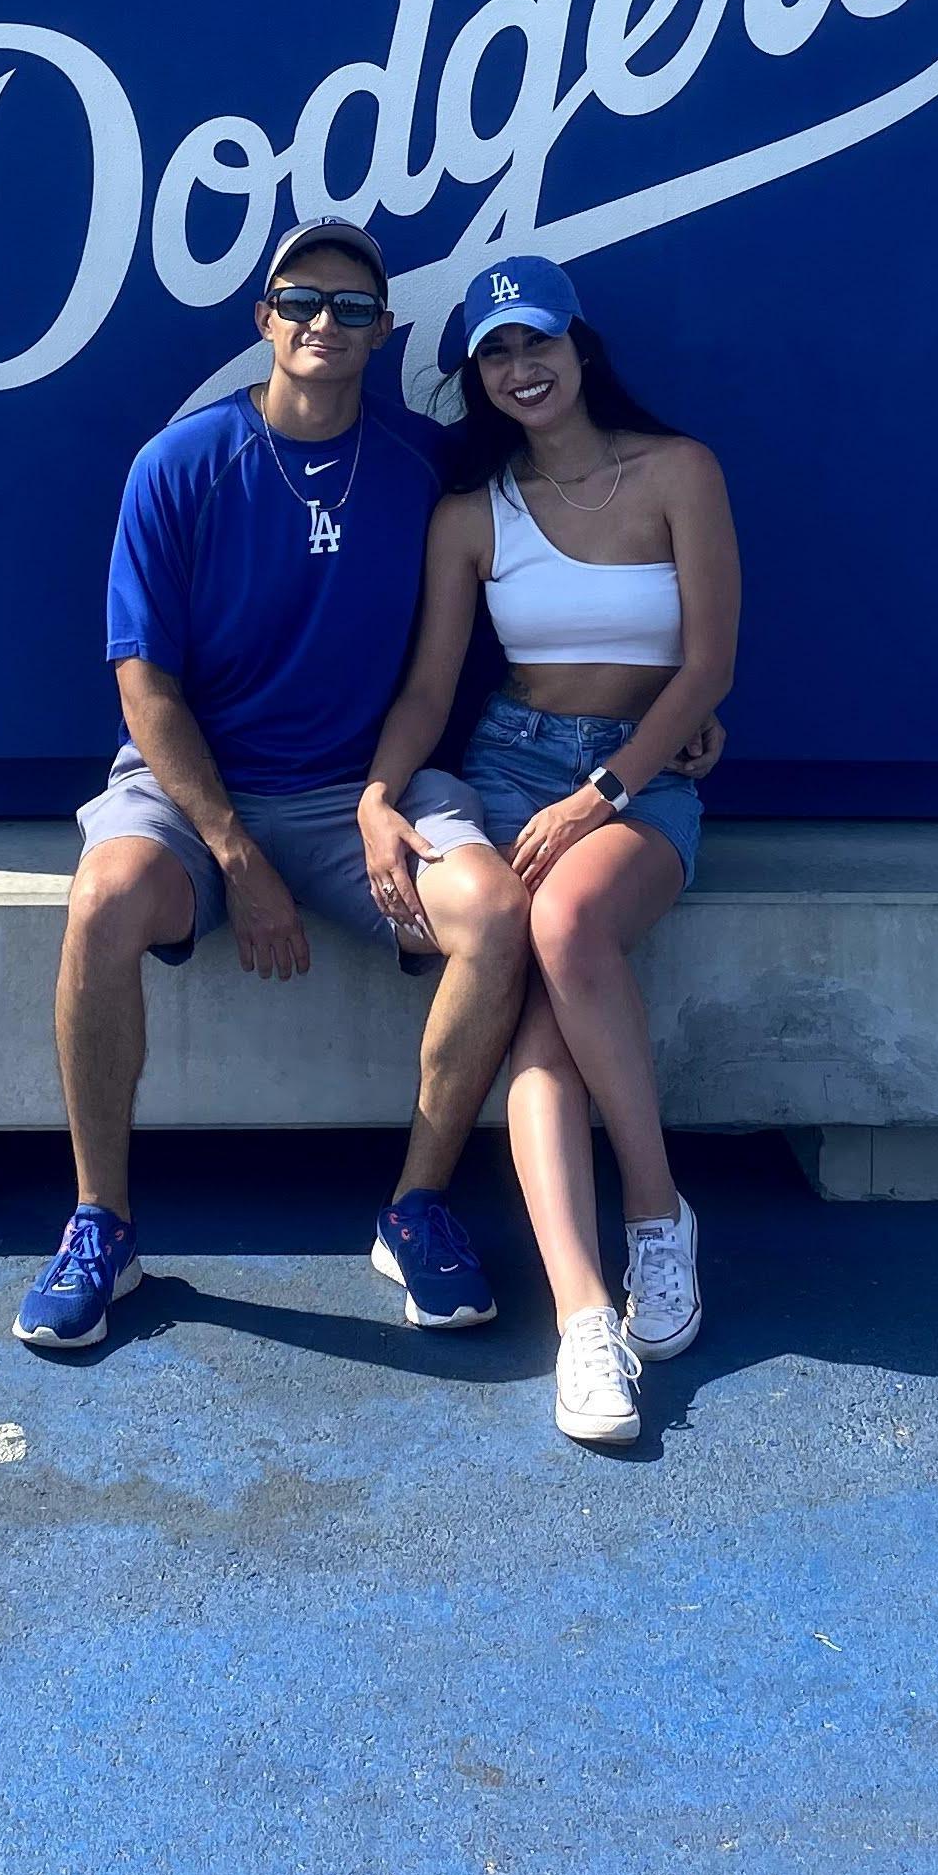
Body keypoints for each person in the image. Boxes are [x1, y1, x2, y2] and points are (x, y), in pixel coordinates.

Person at [16, 221, 541, 1354]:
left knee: (495, 914)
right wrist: (234, 853)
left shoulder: (421, 474)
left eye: (353, 310)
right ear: (263, 319)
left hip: (358, 793)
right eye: (301, 301)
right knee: (104, 899)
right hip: (191, 789)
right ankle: (99, 1223)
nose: (324, 324)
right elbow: (142, 688)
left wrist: (667, 718)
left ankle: (416, 1209)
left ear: (384, 333)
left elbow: (494, 621)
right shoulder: (180, 464)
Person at [361, 254, 738, 1448]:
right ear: (478, 380)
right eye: (495, 357)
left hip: (639, 775)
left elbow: (708, 670)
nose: (521, 371)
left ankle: (655, 1211)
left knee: (570, 926)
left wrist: (605, 791)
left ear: (580, 348)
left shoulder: (681, 471)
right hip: (505, 762)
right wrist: (379, 792)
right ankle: (583, 1321)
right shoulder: (471, 515)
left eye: (537, 344)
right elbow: (431, 688)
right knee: (531, 997)